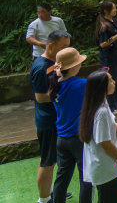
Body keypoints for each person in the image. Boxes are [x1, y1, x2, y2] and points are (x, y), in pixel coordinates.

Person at [79, 69, 117, 203]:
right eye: (111, 80)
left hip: (103, 166)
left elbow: (106, 128)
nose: (114, 82)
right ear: (103, 87)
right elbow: (104, 142)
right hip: (105, 168)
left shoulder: (100, 104)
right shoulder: (101, 112)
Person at [30, 30, 71, 203]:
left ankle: (53, 191)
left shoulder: (53, 62)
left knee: (53, 159)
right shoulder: (41, 67)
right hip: (47, 121)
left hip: (55, 118)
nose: (66, 51)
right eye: (63, 47)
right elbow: (40, 96)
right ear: (51, 45)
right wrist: (64, 92)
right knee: (47, 162)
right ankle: (44, 199)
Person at [49, 47, 92, 203]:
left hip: (62, 139)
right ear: (73, 66)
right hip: (78, 139)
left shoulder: (54, 86)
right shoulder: (82, 84)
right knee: (86, 178)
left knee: (62, 177)